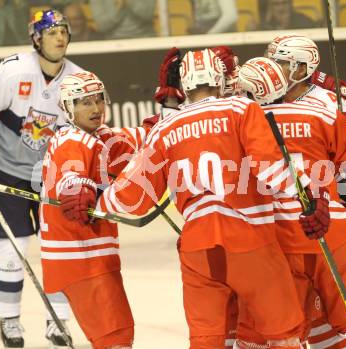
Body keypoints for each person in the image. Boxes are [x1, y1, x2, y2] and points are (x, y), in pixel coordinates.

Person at [92, 48, 307, 348]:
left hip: (197, 250)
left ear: (184, 86)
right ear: (220, 78)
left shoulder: (165, 127)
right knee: (283, 334)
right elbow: (273, 172)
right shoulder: (241, 110)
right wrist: (307, 193)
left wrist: (96, 200)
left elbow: (132, 197)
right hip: (250, 240)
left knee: (205, 339)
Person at [237, 57, 346, 348]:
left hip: (274, 239)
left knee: (276, 332)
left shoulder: (240, 127)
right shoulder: (321, 114)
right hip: (329, 232)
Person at [0, 9, 82, 348]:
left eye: (63, 31)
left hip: (51, 179)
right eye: (51, 32)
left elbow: (87, 132)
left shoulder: (78, 79)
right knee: (10, 252)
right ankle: (10, 322)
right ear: (36, 37)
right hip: (8, 174)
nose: (60, 37)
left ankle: (58, 322)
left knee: (61, 253)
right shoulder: (13, 70)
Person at [40, 70, 148, 349]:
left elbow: (143, 137)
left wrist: (174, 107)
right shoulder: (71, 140)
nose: (96, 108)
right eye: (85, 102)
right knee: (115, 339)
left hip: (92, 255)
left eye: (99, 100)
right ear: (68, 108)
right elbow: (70, 178)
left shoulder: (99, 136)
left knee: (119, 334)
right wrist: (77, 189)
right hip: (80, 257)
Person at [89, 0, 156, 39]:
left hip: (145, 39)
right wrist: (118, 8)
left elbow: (148, 15)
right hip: (112, 43)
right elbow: (102, 26)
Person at [248, 0, 319, 31]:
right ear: (270, 8)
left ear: (290, 5)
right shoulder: (264, 27)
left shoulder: (303, 21)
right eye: (276, 4)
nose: (281, 8)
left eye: (284, 3)